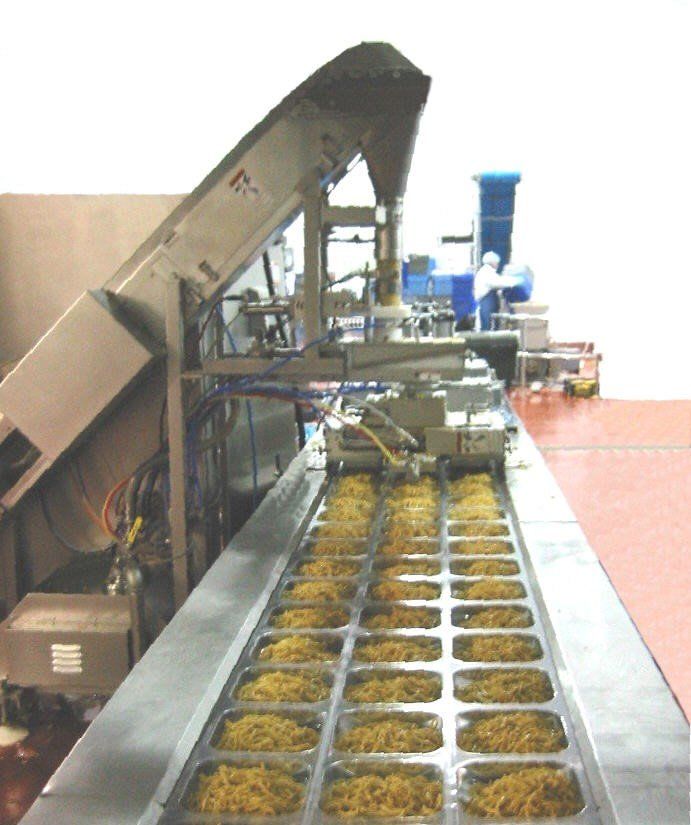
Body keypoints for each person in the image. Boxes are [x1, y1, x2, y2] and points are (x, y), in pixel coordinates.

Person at [473, 251, 520, 330]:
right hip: (486, 301)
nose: (498, 265)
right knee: (487, 324)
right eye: (497, 263)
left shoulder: (488, 272)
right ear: (492, 263)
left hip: (487, 301)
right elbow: (497, 283)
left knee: (491, 322)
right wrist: (513, 282)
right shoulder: (486, 272)